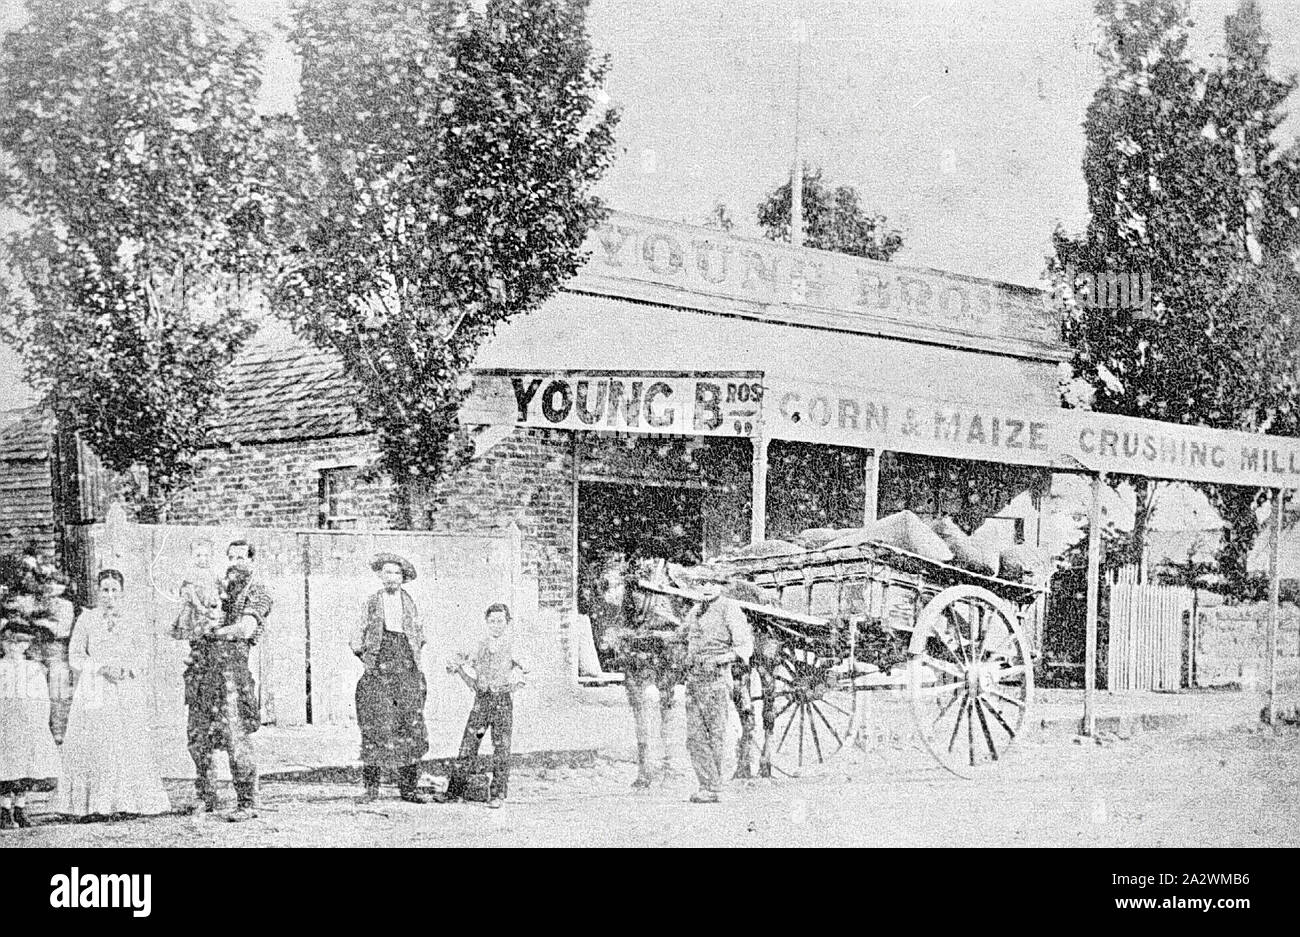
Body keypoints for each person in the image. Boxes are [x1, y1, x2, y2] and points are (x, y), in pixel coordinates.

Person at [51, 569, 171, 819]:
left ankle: (127, 803)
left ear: (122, 592)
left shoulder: (133, 619)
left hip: (125, 687)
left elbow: (144, 653)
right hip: (95, 688)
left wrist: (127, 669)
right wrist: (100, 668)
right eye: (105, 590)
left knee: (125, 741)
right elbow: (75, 655)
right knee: (95, 742)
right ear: (98, 591)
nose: (109, 595)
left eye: (114, 590)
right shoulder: (86, 619)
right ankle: (93, 805)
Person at [177, 540, 271, 822]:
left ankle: (247, 802)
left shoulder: (259, 591)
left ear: (252, 561)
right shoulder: (219, 585)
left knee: (235, 735)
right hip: (203, 669)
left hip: (232, 672)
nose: (234, 562)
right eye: (230, 557)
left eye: (240, 557)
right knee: (197, 735)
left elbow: (245, 628)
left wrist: (211, 631)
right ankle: (206, 797)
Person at [348, 552, 429, 804]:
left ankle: (409, 789)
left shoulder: (411, 603)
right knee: (375, 724)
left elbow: (420, 637)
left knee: (409, 723)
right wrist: (368, 660)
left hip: (405, 667)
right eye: (386, 573)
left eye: (395, 573)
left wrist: (411, 662)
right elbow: (356, 637)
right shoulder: (372, 602)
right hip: (378, 670)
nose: (390, 577)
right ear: (380, 576)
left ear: (403, 578)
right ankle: (371, 790)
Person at [444, 603, 527, 808]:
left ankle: (498, 794)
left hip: (502, 703)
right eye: (492, 621)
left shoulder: (512, 645)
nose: (496, 625)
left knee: (501, 747)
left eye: (500, 621)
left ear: (507, 623)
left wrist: (513, 685)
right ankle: (454, 791)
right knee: (469, 744)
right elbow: (455, 663)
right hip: (482, 700)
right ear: (486, 622)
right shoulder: (479, 644)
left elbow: (526, 670)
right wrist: (465, 676)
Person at [681, 567, 752, 804]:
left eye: (712, 583)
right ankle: (707, 785)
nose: (707, 588)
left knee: (716, 733)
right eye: (702, 583)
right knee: (694, 736)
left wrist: (720, 659)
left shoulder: (730, 608)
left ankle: (713, 787)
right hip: (694, 679)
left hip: (717, 678)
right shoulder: (694, 611)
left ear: (720, 585)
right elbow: (681, 637)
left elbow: (744, 647)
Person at [0, 624, 62, 829]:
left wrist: (41, 722)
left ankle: (20, 808)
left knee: (26, 765)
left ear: (26, 644)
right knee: (7, 764)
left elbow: (42, 697)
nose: (13, 646)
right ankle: (4, 809)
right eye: (9, 641)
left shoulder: (33, 668)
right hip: (6, 721)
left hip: (28, 721)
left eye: (19, 642)